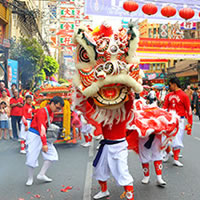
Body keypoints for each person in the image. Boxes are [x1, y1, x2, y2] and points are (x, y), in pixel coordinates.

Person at [25, 96, 64, 186]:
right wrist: (44, 144)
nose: (57, 110)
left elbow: (45, 128)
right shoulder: (42, 111)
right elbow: (41, 127)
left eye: (59, 108)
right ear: (52, 103)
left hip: (43, 136)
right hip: (34, 135)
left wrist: (47, 141)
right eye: (57, 107)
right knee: (31, 156)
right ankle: (30, 178)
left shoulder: (51, 113)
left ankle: (41, 174)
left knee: (53, 155)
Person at [163, 77, 193, 167]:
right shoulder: (168, 95)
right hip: (169, 120)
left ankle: (176, 159)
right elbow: (164, 108)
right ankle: (167, 153)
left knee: (178, 139)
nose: (169, 87)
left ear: (174, 84)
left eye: (170, 85)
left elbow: (189, 110)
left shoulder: (184, 96)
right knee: (165, 138)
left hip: (180, 120)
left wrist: (190, 124)